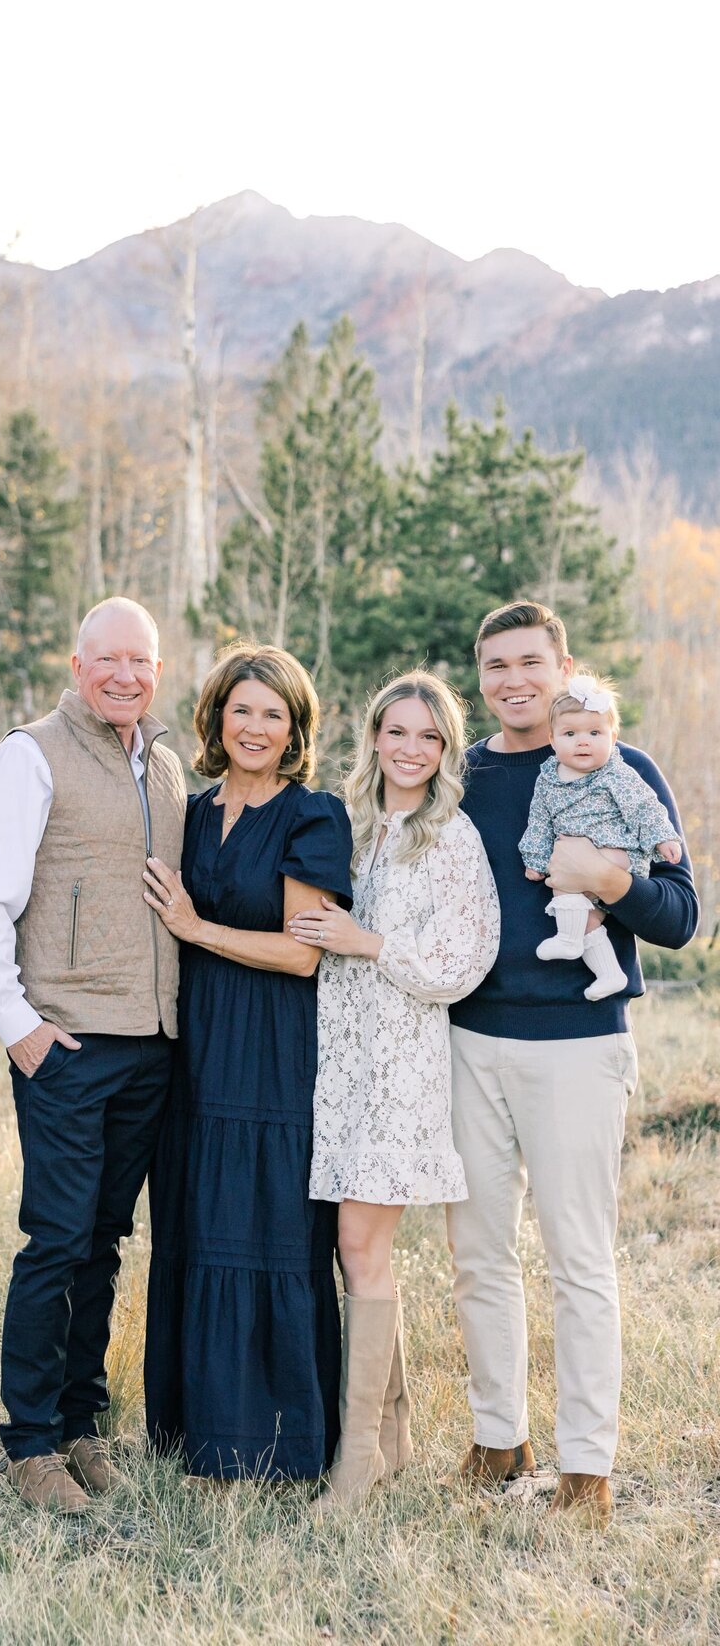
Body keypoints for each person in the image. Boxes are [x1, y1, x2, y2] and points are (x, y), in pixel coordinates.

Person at [447, 600, 698, 1526]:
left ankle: (586, 1467)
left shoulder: (616, 766)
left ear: (564, 670)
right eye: (496, 666)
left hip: (579, 1045)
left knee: (578, 1258)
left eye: (531, 664)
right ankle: (496, 1436)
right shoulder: (458, 772)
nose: (514, 682)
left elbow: (680, 918)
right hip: (467, 1040)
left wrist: (607, 881)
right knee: (478, 1255)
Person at [0, 597, 186, 1513]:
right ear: (78, 662)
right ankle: (29, 1441)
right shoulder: (32, 755)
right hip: (67, 1044)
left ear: (157, 672)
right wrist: (19, 1026)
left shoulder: (162, 765)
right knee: (54, 1239)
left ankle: (84, 1424)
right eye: (109, 660)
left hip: (149, 1045)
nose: (126, 676)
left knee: (106, 1241)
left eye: (143, 661)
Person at [142, 643, 353, 1483]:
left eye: (273, 713)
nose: (255, 727)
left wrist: (197, 930)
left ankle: (279, 1443)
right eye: (241, 710)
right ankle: (196, 1434)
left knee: (267, 1227)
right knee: (193, 1227)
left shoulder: (314, 816)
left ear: (295, 727)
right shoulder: (187, 813)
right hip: (191, 1052)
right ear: (216, 719)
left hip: (273, 1050)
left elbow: (302, 955)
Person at [289, 672, 499, 1508]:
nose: (411, 749)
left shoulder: (452, 839)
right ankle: (395, 1437)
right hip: (339, 1066)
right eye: (398, 732)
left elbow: (462, 964)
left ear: (445, 750)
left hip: (402, 1069)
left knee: (359, 1248)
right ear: (374, 735)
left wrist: (364, 941)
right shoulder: (350, 825)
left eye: (430, 737)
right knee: (359, 1252)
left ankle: (356, 1463)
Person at [519, 672, 681, 1000]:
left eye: (594, 732)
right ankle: (609, 974)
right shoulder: (547, 780)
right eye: (570, 733)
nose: (583, 741)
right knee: (588, 916)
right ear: (552, 738)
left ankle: (567, 939)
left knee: (568, 879)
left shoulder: (616, 775)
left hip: (619, 855)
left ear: (612, 736)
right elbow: (539, 823)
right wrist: (535, 860)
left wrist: (663, 838)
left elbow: (644, 808)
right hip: (573, 862)